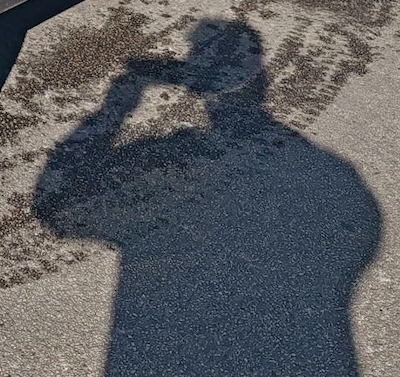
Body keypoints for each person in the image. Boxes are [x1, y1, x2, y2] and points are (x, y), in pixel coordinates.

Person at [34, 19, 381, 376]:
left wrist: (117, 105)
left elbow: (55, 210)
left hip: (160, 343)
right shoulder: (332, 174)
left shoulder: (329, 176)